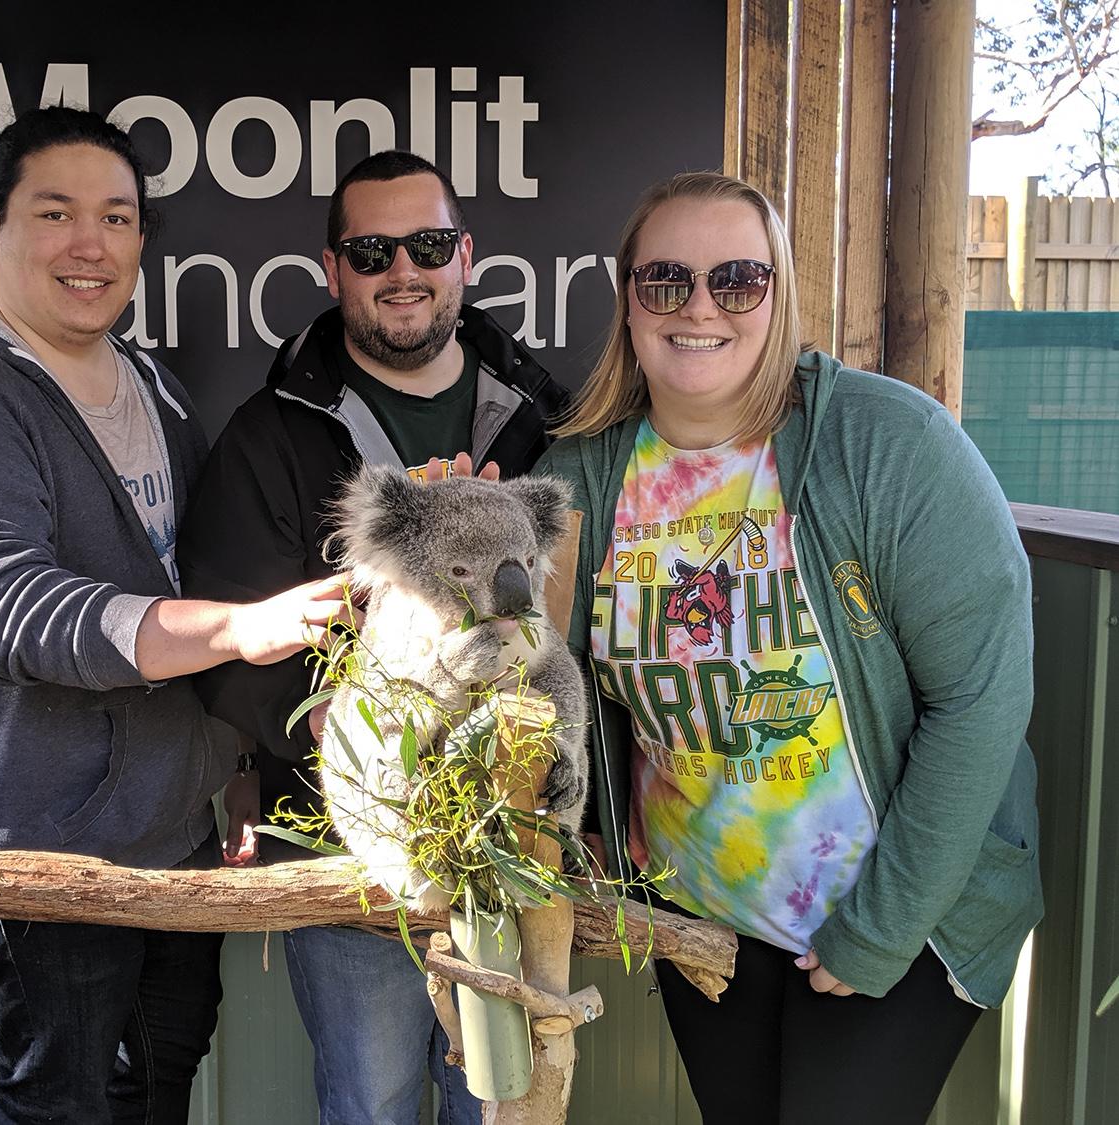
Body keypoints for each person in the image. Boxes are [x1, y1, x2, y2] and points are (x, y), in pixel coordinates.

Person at [0, 106, 352, 1125]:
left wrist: (237, 763)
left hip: (169, 832)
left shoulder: (149, 384)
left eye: (119, 218)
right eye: (56, 211)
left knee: (158, 1078)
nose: (93, 243)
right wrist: (238, 630)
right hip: (35, 848)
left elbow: (189, 565)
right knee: (68, 1103)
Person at [534, 171, 1044, 1123]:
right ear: (628, 302)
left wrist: (881, 931)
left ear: (781, 294)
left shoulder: (888, 445)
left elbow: (980, 698)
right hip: (705, 911)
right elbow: (541, 680)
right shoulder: (579, 474)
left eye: (737, 279)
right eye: (665, 281)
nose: (699, 308)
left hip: (897, 907)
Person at [178, 150, 569, 1124]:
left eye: (428, 244)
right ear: (334, 268)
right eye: (372, 249)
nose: (404, 268)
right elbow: (228, 640)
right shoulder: (269, 435)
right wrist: (361, 743)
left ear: (466, 256)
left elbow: (589, 623)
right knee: (371, 1101)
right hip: (355, 850)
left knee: (501, 1097)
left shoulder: (545, 422)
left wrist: (558, 771)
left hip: (516, 841)